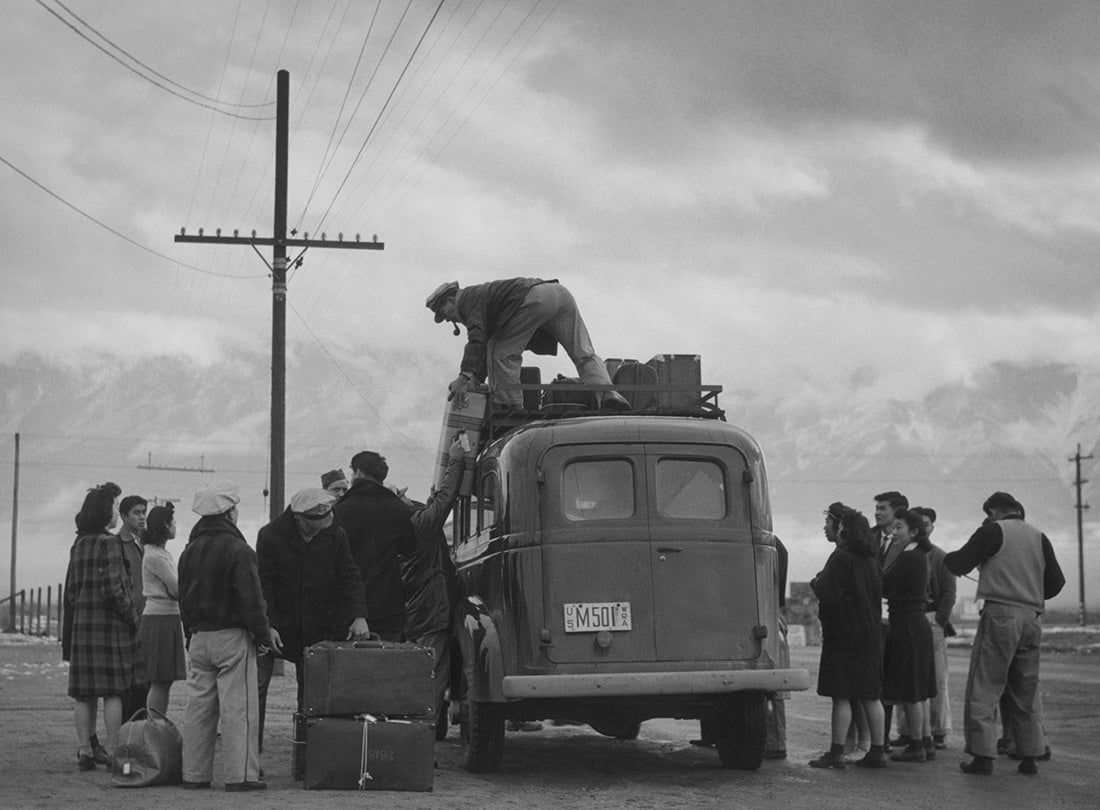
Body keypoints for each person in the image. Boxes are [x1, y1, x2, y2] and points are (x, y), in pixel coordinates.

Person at [945, 491, 1065, 776]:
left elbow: (959, 563)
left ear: (994, 512)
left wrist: (954, 554)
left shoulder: (993, 531)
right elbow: (1057, 583)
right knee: (1025, 689)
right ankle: (1030, 755)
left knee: (985, 685)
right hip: (1032, 618)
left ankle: (983, 756)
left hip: (1001, 615)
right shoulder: (1039, 536)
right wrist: (1030, 590)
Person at [256, 487, 370, 749]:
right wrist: (268, 625)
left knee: (312, 694)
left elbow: (350, 576)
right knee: (257, 689)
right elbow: (264, 585)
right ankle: (251, 755)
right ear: (298, 517)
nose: (320, 529)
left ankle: (309, 754)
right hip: (279, 628)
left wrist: (359, 615)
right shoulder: (269, 536)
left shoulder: (335, 534)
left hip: (318, 628)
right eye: (314, 524)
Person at [178, 479, 272, 792]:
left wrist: (190, 635)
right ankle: (240, 776)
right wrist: (262, 637)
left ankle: (194, 774)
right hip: (232, 637)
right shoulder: (239, 550)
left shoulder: (189, 551)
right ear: (230, 512)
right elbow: (252, 600)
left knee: (199, 710)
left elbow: (183, 600)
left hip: (199, 637)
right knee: (238, 710)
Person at [425, 277, 630, 411]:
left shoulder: (467, 299)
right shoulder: (484, 297)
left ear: (451, 300)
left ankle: (509, 408)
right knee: (583, 352)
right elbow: (483, 344)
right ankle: (609, 394)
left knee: (500, 351)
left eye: (445, 314)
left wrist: (464, 376)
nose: (452, 319)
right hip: (560, 294)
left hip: (534, 299)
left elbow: (477, 338)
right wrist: (476, 378)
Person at [62, 482, 144, 771]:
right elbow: (114, 588)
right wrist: (131, 616)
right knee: (113, 692)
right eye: (113, 505)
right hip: (109, 628)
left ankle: (85, 751)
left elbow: (71, 590)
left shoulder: (79, 543)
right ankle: (111, 751)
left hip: (83, 627)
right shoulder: (109, 543)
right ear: (103, 511)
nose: (114, 511)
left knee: (84, 693)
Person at [808, 503, 886, 769]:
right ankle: (877, 751)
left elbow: (826, 591)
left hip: (843, 636)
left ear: (847, 532)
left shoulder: (841, 557)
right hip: (870, 634)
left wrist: (815, 583)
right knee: (870, 696)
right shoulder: (871, 560)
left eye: (840, 528)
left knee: (841, 695)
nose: (838, 533)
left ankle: (837, 752)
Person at [398, 436, 467, 727]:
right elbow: (445, 499)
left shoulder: (405, 528)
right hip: (431, 611)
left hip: (415, 613)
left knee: (421, 675)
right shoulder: (418, 525)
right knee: (433, 677)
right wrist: (457, 460)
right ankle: (421, 735)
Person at [334, 450, 417, 642]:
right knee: (385, 665)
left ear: (359, 472)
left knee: (346, 666)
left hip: (347, 608)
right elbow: (409, 547)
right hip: (388, 606)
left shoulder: (339, 511)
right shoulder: (398, 508)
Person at [893, 506, 956, 750]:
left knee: (935, 679)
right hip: (918, 618)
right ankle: (910, 731)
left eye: (928, 523)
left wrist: (939, 619)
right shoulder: (909, 553)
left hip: (928, 618)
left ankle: (936, 730)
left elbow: (949, 592)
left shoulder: (938, 556)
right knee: (912, 679)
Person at [882, 509, 937, 763]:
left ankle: (916, 746)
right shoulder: (919, 555)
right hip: (916, 624)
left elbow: (884, 585)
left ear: (913, 531)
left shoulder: (909, 557)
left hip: (907, 626)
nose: (895, 532)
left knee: (911, 691)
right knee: (919, 690)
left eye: (900, 527)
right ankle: (925, 741)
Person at [138, 502, 187, 716]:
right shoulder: (155, 556)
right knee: (159, 680)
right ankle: (154, 723)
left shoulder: (160, 552)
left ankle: (158, 722)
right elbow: (176, 589)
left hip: (167, 618)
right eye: (172, 522)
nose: (175, 526)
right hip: (159, 620)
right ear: (164, 526)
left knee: (165, 681)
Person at [117, 494, 151, 720]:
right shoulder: (117, 544)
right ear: (123, 516)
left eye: (143, 512)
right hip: (128, 619)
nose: (142, 517)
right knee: (129, 682)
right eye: (136, 513)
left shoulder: (144, 543)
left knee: (145, 679)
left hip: (147, 618)